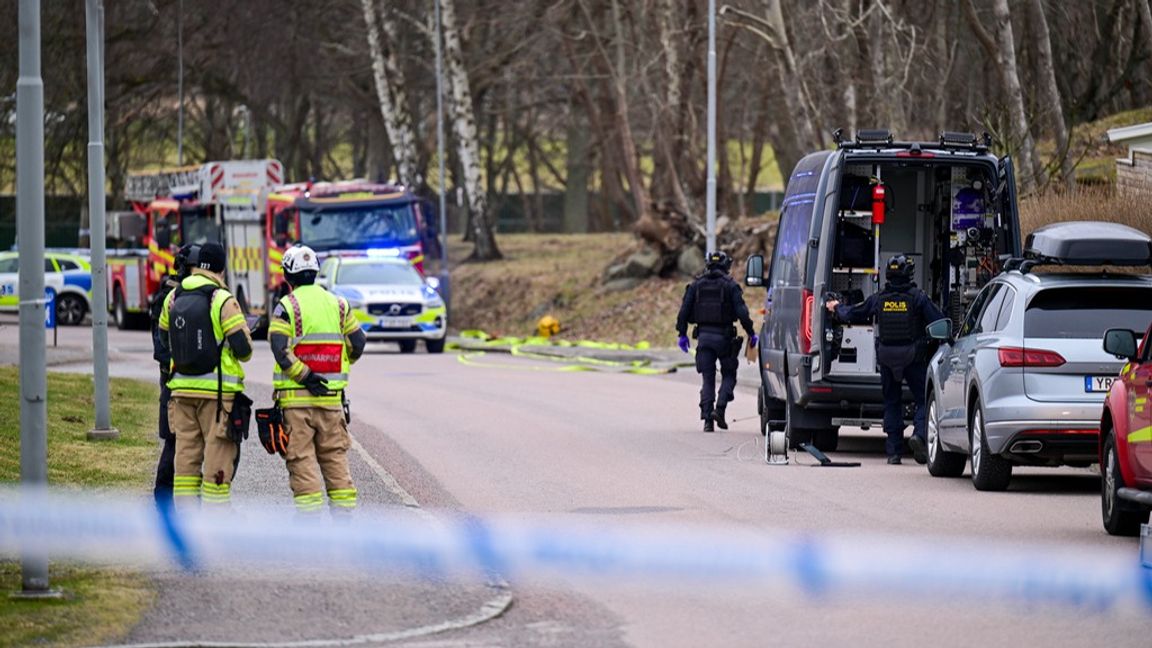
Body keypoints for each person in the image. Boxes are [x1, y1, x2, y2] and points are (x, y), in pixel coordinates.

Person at [268, 244, 367, 515]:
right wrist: (340, 366)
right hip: (332, 402)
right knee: (335, 460)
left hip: (296, 405)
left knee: (302, 461)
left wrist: (306, 376)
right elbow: (358, 342)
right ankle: (344, 521)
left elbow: (280, 349)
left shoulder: (287, 306)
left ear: (288, 275)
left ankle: (310, 527)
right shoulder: (339, 304)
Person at [826, 254, 945, 465]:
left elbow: (852, 314)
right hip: (912, 357)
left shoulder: (879, 298)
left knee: (891, 402)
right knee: (923, 399)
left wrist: (836, 307)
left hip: (887, 357)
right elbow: (939, 322)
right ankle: (919, 434)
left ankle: (894, 453)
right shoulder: (918, 297)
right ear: (909, 273)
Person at [159, 242, 254, 507]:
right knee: (217, 463)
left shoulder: (174, 296)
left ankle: (186, 530)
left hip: (180, 393)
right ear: (222, 268)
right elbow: (244, 349)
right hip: (217, 397)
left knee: (185, 463)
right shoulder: (222, 299)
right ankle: (215, 526)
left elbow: (164, 339)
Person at [676, 250, 758, 432]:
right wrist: (751, 333)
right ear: (726, 265)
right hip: (725, 339)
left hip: (704, 339)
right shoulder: (731, 286)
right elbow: (742, 313)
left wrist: (682, 334)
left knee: (708, 379)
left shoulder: (696, 285)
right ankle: (719, 409)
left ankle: (707, 419)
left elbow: (683, 313)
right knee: (729, 375)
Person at [148, 244, 192, 508]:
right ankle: (164, 501)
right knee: (174, 442)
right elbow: (161, 348)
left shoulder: (184, 295)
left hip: (181, 382)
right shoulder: (170, 297)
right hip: (174, 383)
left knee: (183, 444)